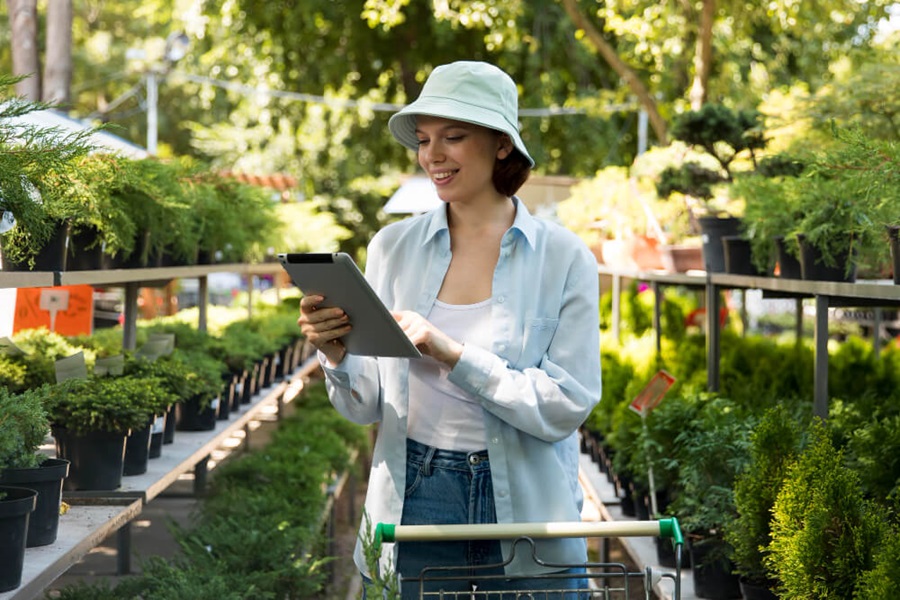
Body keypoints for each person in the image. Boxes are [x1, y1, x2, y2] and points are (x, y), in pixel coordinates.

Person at [297, 61, 601, 598]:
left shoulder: (562, 257)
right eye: (424, 140)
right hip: (415, 490)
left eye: (454, 137)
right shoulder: (392, 249)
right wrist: (337, 355)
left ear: (502, 144)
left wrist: (453, 353)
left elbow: (566, 404)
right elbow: (364, 406)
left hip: (528, 497)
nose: (432, 155)